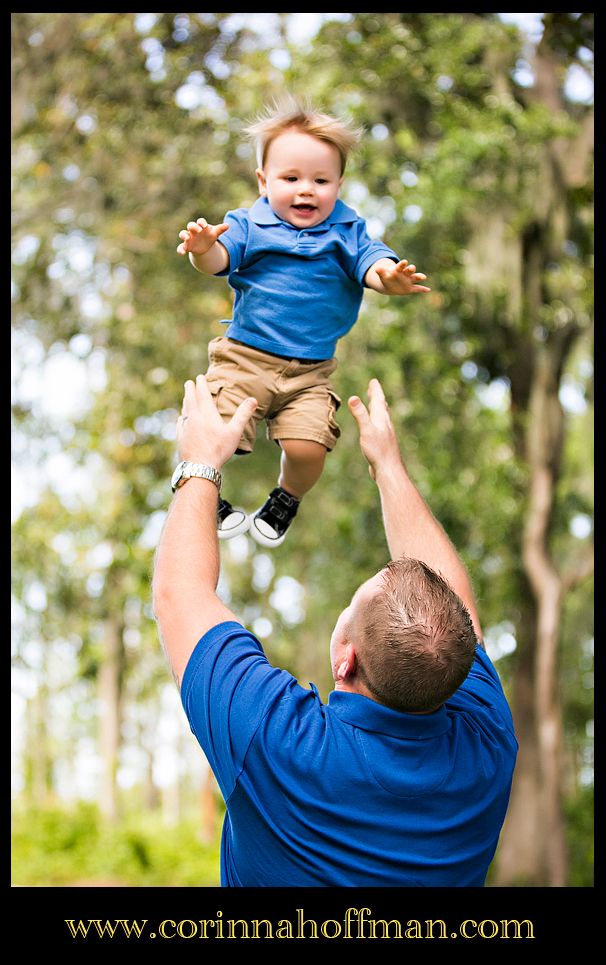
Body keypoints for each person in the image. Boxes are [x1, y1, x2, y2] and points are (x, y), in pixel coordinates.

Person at [153, 374, 518, 887]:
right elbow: (454, 620)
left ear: (345, 659)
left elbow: (179, 595)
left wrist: (198, 461)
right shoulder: (486, 747)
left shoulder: (278, 744)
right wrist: (388, 467)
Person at [176, 100, 430, 547]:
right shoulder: (248, 225)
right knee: (214, 429)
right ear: (263, 181)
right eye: (290, 179)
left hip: (310, 373)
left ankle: (286, 498)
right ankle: (199, 485)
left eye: (320, 180)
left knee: (309, 447)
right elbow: (217, 261)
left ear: (339, 184)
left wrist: (389, 279)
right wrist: (201, 248)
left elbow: (372, 264)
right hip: (245, 358)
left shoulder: (348, 232)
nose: (306, 190)